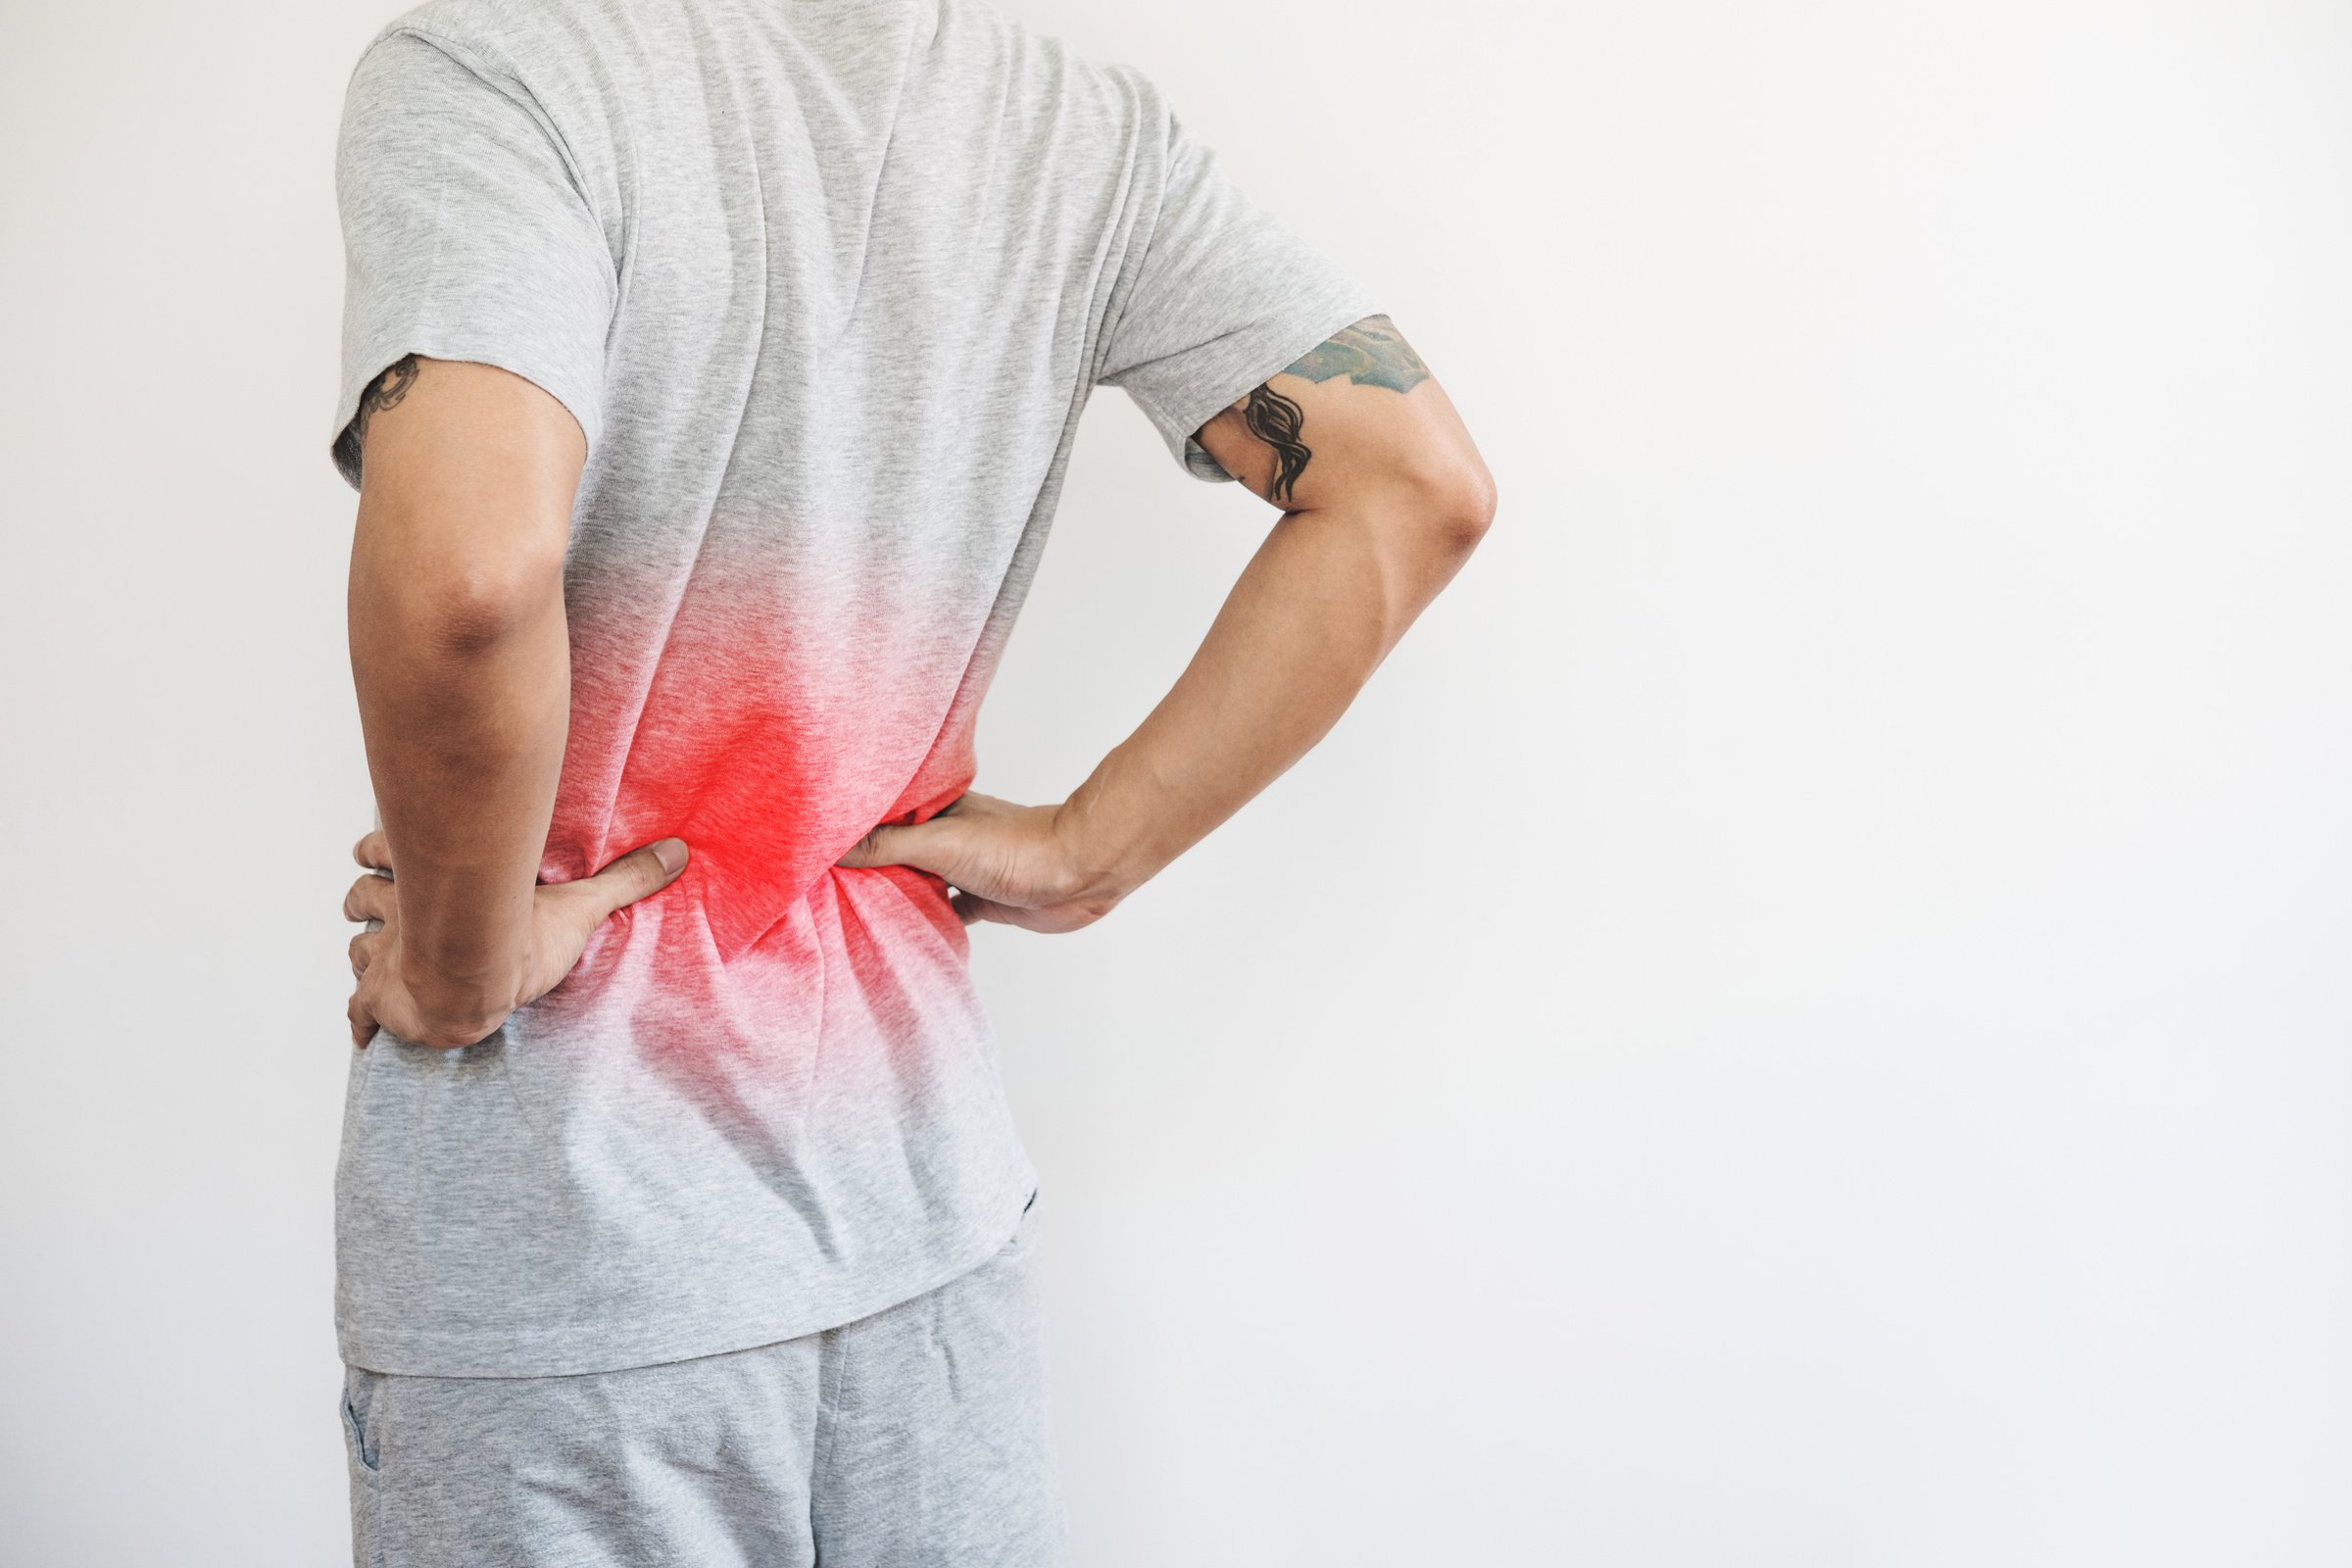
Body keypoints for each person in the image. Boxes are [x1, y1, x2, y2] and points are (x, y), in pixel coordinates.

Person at [326, 0, 1495, 1558]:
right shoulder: (1080, 132)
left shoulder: (501, 74)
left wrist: (462, 964)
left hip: (573, 1254)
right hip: (927, 1225)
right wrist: (1093, 848)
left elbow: (466, 576)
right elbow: (1413, 484)